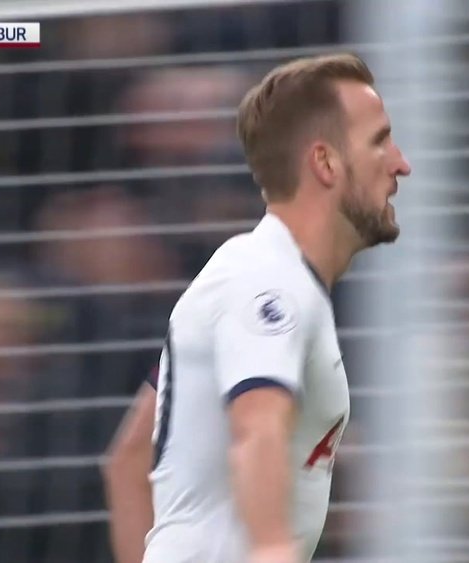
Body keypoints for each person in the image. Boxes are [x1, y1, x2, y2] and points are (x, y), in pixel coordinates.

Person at [102, 52, 411, 563]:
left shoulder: (259, 274)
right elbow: (258, 426)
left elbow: (131, 462)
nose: (401, 163)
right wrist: (270, 550)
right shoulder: (269, 280)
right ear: (325, 162)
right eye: (379, 141)